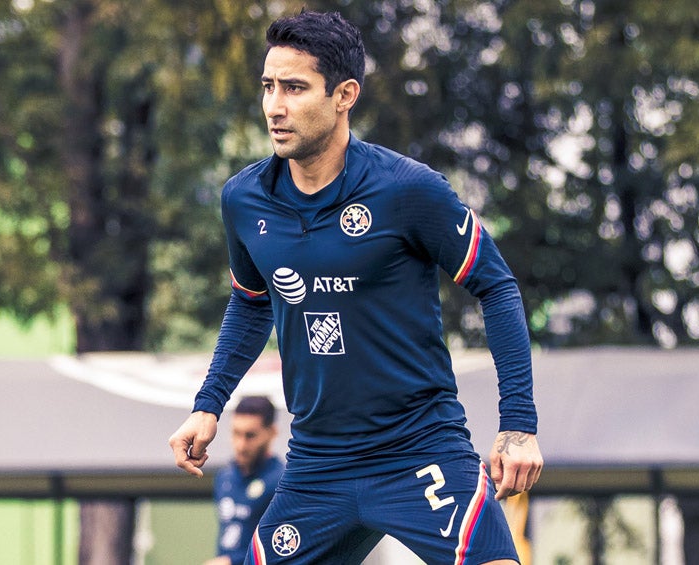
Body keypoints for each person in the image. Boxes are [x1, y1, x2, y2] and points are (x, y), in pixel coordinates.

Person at [169, 10, 543, 564]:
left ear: (345, 94)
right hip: (318, 464)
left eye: (295, 88)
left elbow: (497, 284)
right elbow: (251, 304)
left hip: (421, 450)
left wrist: (518, 424)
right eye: (269, 86)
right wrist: (208, 405)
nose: (275, 106)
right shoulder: (243, 200)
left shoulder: (409, 190)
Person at [203, 396, 284, 565]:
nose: (241, 445)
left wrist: (231, 561)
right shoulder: (225, 477)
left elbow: (282, 547)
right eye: (236, 433)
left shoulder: (282, 482)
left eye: (250, 436)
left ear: (272, 433)